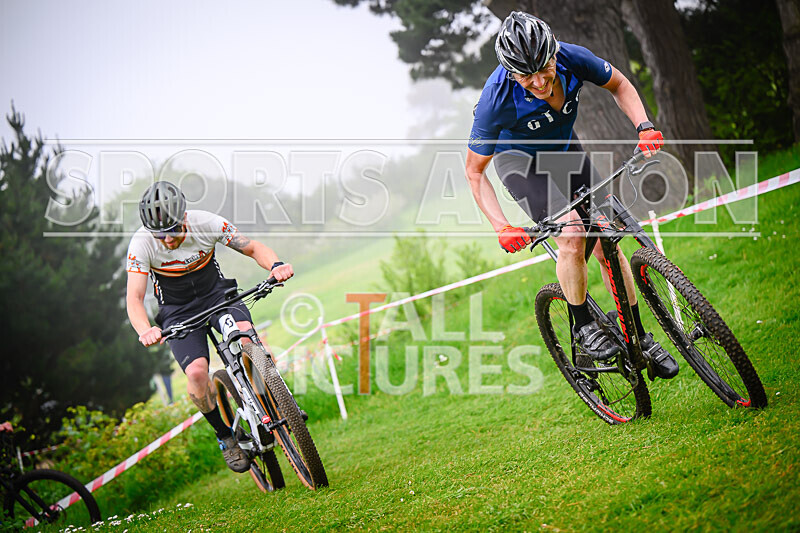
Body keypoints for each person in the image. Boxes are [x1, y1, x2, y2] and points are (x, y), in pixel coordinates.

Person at [466, 11, 678, 378]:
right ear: (510, 73)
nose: (537, 81)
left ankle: (639, 336)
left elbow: (620, 85)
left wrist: (644, 126)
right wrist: (501, 226)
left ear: (554, 54)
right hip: (521, 167)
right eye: (524, 75)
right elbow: (474, 171)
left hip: (565, 153)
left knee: (606, 239)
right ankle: (583, 326)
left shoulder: (572, 57)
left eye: (542, 68)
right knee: (572, 232)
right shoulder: (494, 99)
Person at [125, 181, 294, 472]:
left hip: (218, 295)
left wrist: (275, 265)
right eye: (160, 236)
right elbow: (135, 298)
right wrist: (145, 330)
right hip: (178, 312)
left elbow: (253, 247)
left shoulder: (207, 222)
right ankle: (224, 435)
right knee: (197, 372)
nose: (167, 241)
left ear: (184, 219)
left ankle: (281, 398)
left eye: (172, 232)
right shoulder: (141, 244)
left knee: (247, 339)